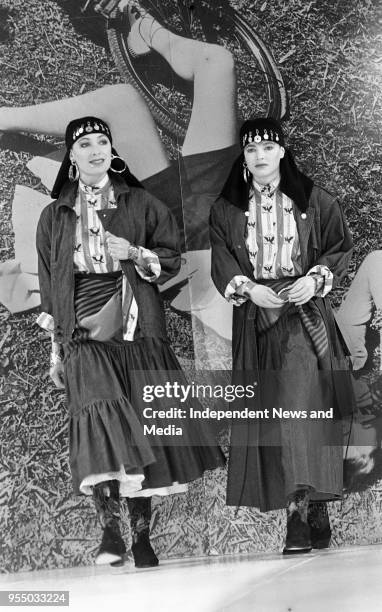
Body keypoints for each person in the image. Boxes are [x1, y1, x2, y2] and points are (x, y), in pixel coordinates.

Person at [36, 115, 225, 567]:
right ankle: (109, 532)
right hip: (81, 330)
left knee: (142, 424)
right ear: (72, 156)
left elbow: (173, 256)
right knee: (99, 422)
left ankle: (141, 536)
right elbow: (49, 285)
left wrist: (136, 253)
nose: (96, 150)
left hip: (137, 325)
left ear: (113, 152)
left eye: (103, 141)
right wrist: (56, 349)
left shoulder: (140, 202)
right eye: (85, 145)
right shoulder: (54, 215)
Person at [209, 117, 355, 554]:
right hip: (257, 320)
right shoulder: (226, 209)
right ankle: (316, 509)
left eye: (268, 148)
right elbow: (222, 259)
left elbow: (339, 247)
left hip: (303, 316)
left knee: (300, 407)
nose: (259, 157)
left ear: (282, 152)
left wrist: (315, 278)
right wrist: (250, 288)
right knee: (277, 413)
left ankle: (297, 519)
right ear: (244, 157)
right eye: (251, 150)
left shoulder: (313, 200)